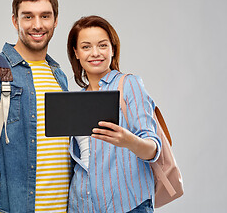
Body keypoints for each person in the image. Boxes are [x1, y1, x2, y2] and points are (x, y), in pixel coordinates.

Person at [0, 0, 71, 213]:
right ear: (15, 21)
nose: (37, 24)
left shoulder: (58, 75)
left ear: (56, 20)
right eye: (28, 16)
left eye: (45, 16)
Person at [66, 15, 162, 213]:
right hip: (81, 205)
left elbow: (153, 150)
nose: (95, 53)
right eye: (86, 47)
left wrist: (128, 141)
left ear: (112, 48)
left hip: (127, 205)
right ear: (76, 53)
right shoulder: (76, 100)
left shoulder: (129, 84)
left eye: (102, 45)